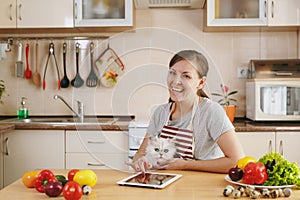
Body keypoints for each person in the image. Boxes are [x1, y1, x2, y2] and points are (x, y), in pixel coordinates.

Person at [127, 50, 245, 173]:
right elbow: (140, 154)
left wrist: (185, 165)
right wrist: (140, 162)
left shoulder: (211, 111)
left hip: (201, 186)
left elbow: (236, 161)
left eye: (186, 76)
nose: (176, 81)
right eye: (172, 73)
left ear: (201, 82)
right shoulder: (160, 112)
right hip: (165, 184)